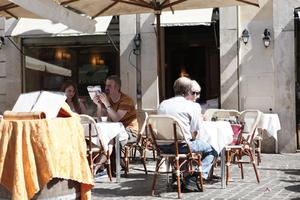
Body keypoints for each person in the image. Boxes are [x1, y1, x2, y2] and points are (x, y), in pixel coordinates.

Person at [158, 77, 218, 190]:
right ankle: (195, 176)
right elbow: (195, 131)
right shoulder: (192, 106)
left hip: (163, 146)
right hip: (181, 146)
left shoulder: (163, 104)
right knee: (213, 149)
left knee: (183, 143)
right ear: (188, 90)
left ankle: (180, 175)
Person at [92, 75, 139, 144]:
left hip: (129, 131)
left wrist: (106, 103)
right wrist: (99, 105)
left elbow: (116, 119)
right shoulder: (108, 99)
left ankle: (106, 154)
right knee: (98, 136)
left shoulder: (126, 100)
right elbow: (101, 118)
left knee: (110, 139)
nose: (106, 88)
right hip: (113, 130)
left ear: (117, 87)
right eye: (106, 86)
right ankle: (104, 154)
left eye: (109, 86)